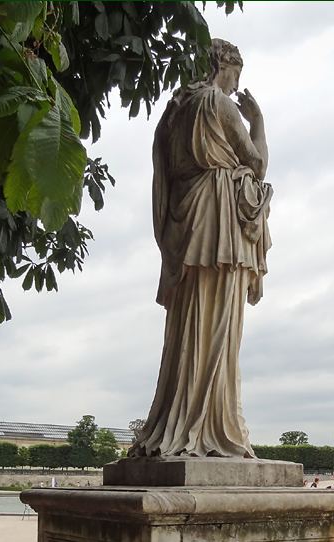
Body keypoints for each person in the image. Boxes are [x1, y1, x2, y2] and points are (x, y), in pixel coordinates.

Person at [129, 38, 271, 458]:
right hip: (220, 224)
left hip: (188, 224)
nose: (235, 86)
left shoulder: (173, 114)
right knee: (217, 327)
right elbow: (258, 164)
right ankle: (210, 427)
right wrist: (258, 120)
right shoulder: (217, 103)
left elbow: (165, 178)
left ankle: (180, 419)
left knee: (188, 327)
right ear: (224, 65)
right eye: (235, 75)